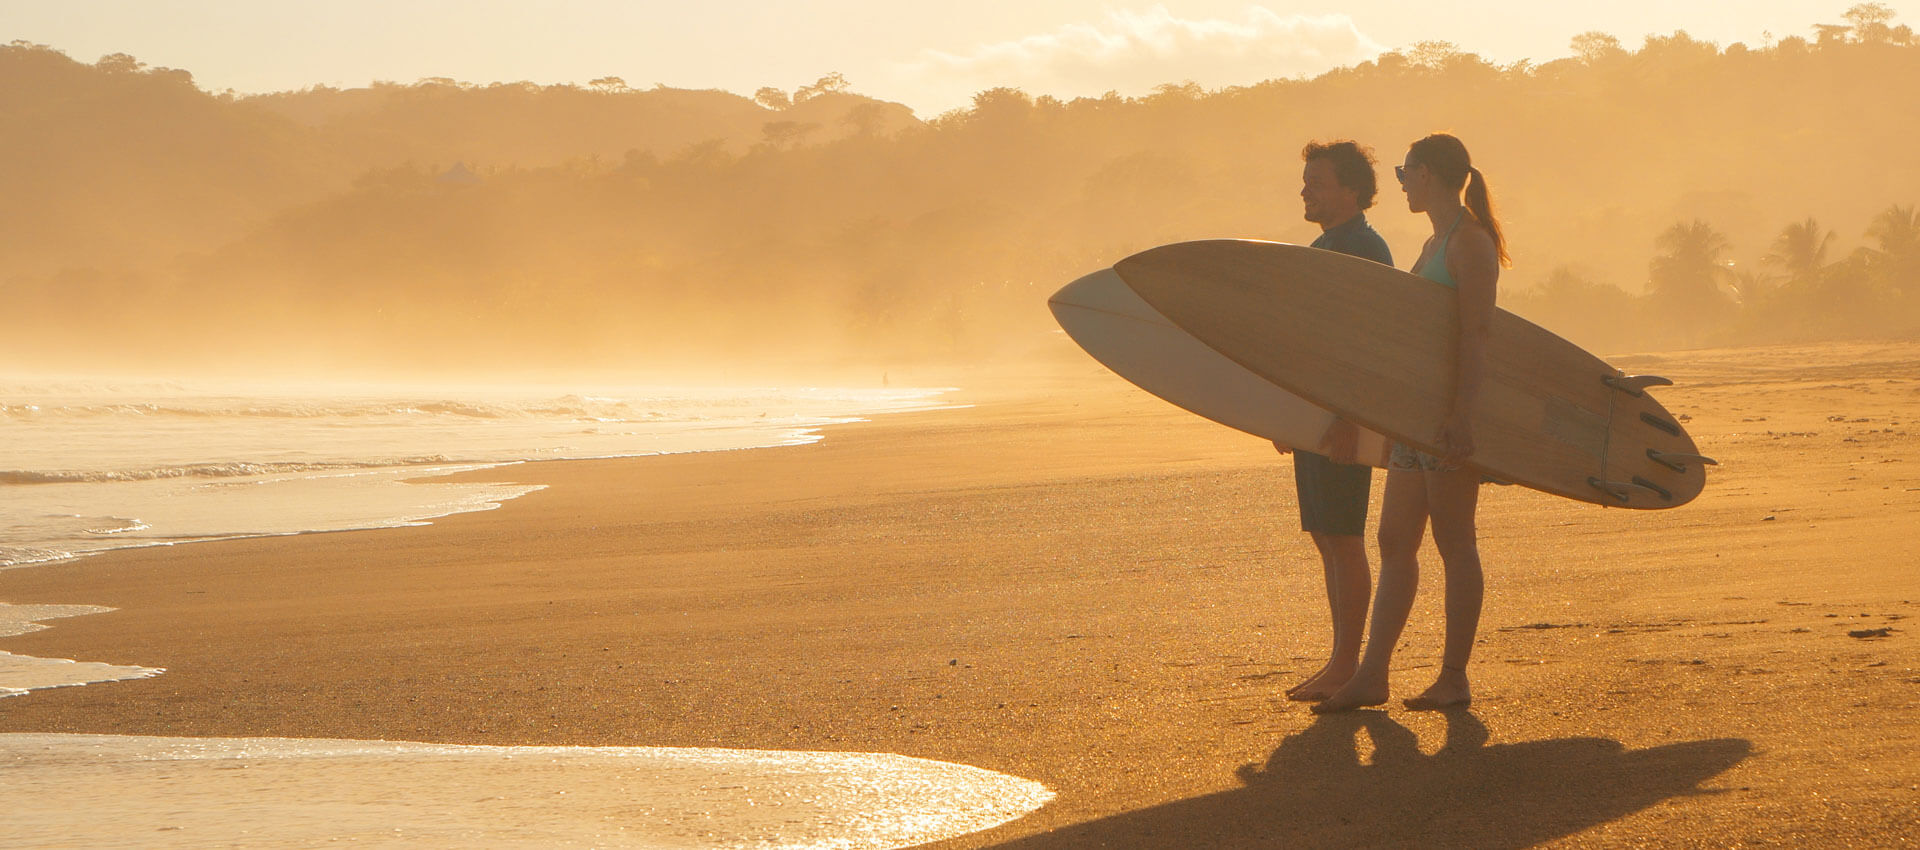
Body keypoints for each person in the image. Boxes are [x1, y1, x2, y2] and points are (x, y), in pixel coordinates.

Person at [1314, 133, 1508, 713]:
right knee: (1395, 540)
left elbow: (1477, 334)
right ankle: (1374, 674)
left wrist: (1464, 416)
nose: (1399, 182)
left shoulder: (1469, 244)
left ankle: (1454, 676)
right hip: (1414, 420)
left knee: (1455, 543)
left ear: (1428, 175)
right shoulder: (1432, 244)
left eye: (1405, 171)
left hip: (1447, 419)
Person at [1279, 140, 1393, 702]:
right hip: (1320, 416)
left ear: (1351, 189)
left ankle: (1351, 666)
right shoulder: (1326, 244)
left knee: (1344, 536)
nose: (1306, 189)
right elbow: (1312, 343)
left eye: (1318, 181)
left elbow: (1370, 344)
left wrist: (1350, 415)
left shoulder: (1364, 248)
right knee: (1326, 535)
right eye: (1306, 180)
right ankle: (1339, 660)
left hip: (1344, 418)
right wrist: (1292, 414)